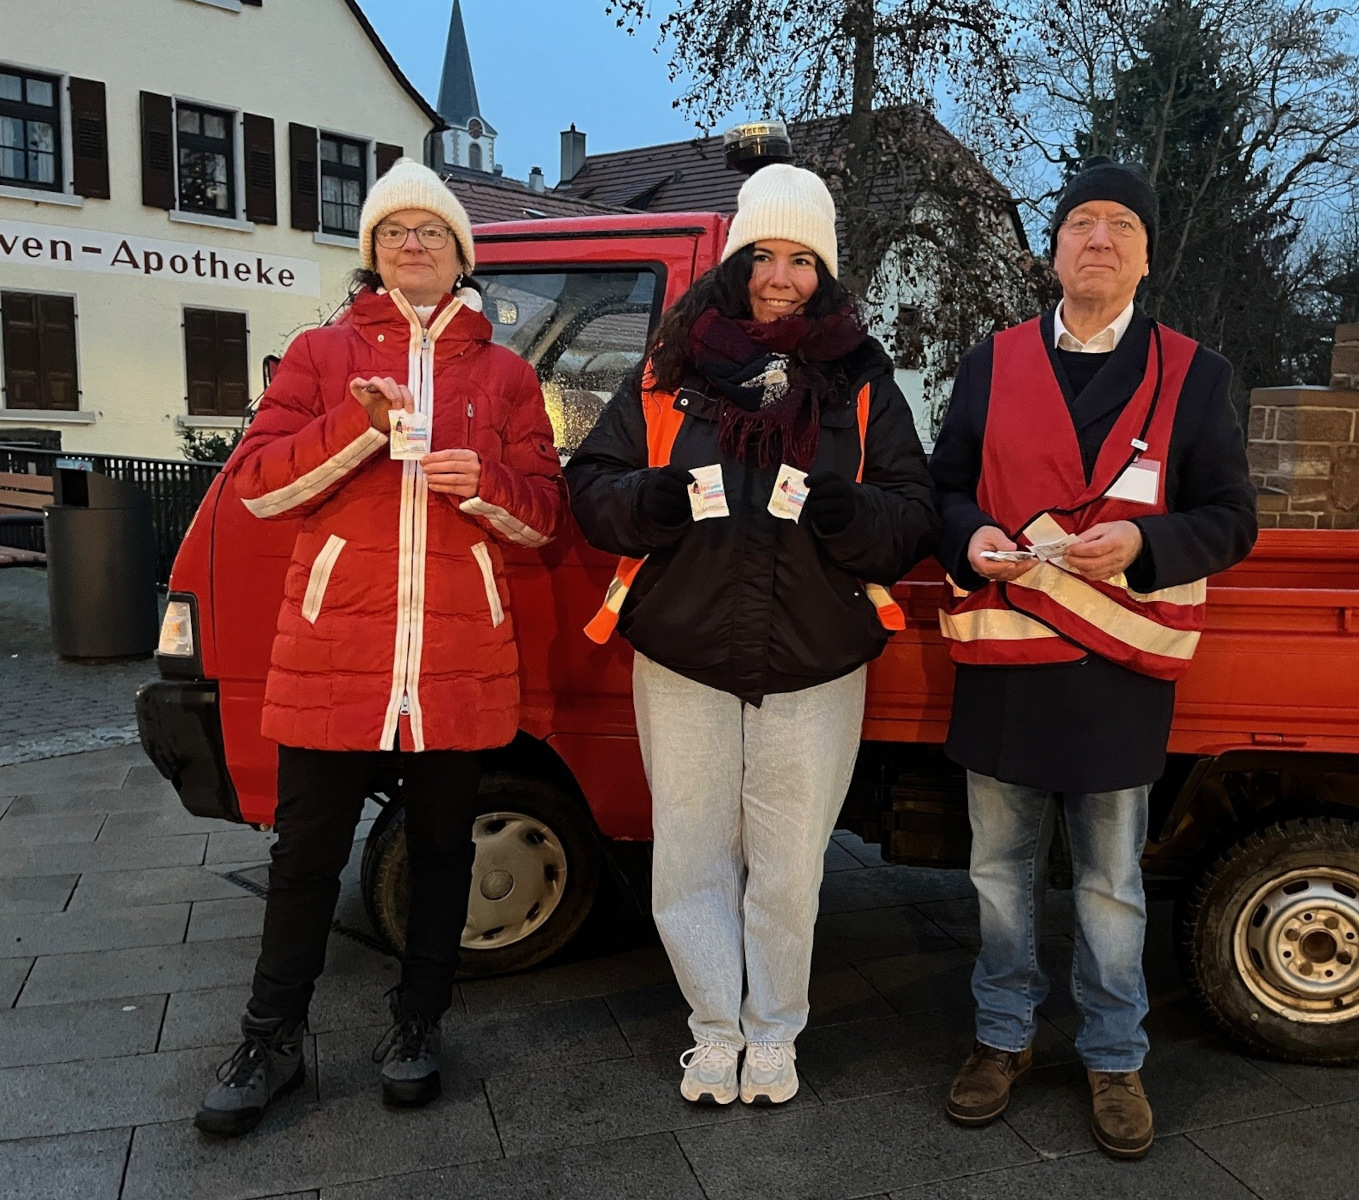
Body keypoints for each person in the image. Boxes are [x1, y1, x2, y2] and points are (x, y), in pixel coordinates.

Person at [193, 159, 565, 1136]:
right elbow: (258, 489)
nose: (412, 246)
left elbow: (542, 521)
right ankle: (270, 1038)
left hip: (459, 655)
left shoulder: (507, 374)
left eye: (431, 233)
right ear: (373, 251)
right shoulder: (318, 354)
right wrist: (354, 432)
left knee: (444, 849)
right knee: (306, 853)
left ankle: (416, 1025)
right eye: (395, 231)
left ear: (458, 255)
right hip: (332, 650)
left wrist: (479, 477)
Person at [567, 164, 936, 1107]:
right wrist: (647, 500)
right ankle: (713, 1030)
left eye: (802, 258)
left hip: (814, 657)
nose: (781, 275)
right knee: (689, 856)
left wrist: (851, 514)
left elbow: (911, 515)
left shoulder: (861, 382)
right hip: (686, 649)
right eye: (764, 254)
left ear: (827, 271)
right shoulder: (668, 368)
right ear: (734, 263)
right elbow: (591, 486)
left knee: (788, 866)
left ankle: (774, 1032)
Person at [929, 158, 1257, 1158]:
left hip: (1117, 680)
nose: (1098, 239)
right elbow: (943, 491)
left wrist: (1149, 547)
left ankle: (1115, 1057)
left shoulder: (1196, 375)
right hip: (1003, 675)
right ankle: (1000, 1040)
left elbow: (1232, 519)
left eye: (1120, 225)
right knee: (997, 875)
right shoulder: (989, 362)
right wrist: (967, 540)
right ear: (1054, 249)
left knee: (1111, 885)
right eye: (1080, 223)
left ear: (1147, 255)